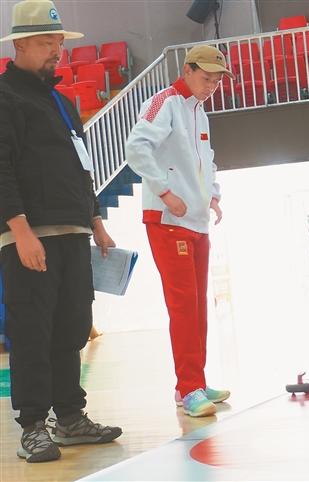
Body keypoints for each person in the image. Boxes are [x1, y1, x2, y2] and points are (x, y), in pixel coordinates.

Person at [0, 0, 122, 464]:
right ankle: (33, 426)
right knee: (32, 331)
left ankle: (70, 417)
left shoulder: (62, 103)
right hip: (29, 235)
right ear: (21, 45)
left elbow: (82, 167)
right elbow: (1, 168)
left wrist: (96, 222)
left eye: (59, 42)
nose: (58, 51)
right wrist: (20, 229)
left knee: (71, 327)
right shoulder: (4, 97)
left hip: (73, 232)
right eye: (48, 43)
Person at [125, 45, 231, 417]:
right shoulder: (164, 102)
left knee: (199, 306)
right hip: (168, 220)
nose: (211, 86)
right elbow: (136, 148)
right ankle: (188, 388)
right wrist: (165, 192)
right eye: (206, 78)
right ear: (187, 70)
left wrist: (213, 196)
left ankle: (194, 381)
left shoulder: (200, 112)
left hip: (196, 220)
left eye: (217, 81)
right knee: (184, 306)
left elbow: (207, 160)